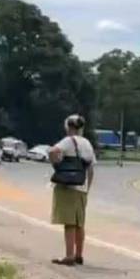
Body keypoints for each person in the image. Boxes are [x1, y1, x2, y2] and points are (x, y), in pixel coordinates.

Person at [48, 114, 95, 266]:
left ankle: (69, 256)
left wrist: (57, 165)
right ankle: (79, 254)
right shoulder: (87, 143)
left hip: (68, 186)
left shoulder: (69, 141)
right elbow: (91, 169)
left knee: (69, 223)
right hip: (82, 187)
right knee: (79, 223)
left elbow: (52, 151)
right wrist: (87, 188)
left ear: (68, 126)